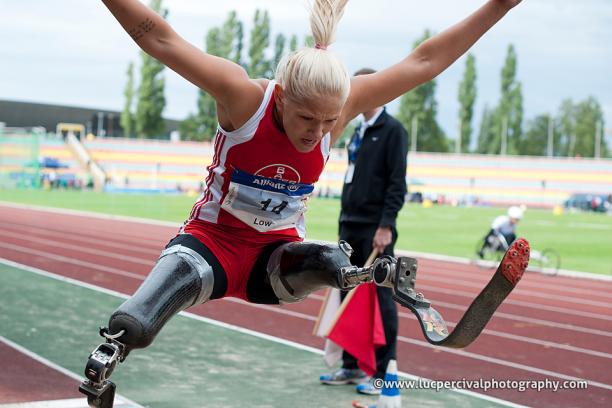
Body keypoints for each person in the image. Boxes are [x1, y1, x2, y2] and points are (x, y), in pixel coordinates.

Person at [82, 0, 525, 404]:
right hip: (210, 245)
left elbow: (425, 60)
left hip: (275, 261)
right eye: (306, 118)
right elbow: (159, 38)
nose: (317, 132)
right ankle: (108, 358)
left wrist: (499, 6)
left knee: (332, 262)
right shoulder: (243, 97)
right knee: (136, 324)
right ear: (282, 95)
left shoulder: (343, 107)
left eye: (330, 121)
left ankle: (365, 273)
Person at [319, 68, 407, 396]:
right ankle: (352, 365)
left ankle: (385, 372)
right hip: (350, 223)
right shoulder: (357, 130)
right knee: (348, 292)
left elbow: (397, 182)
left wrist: (386, 225)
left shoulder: (392, 130)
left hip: (375, 229)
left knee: (381, 297)